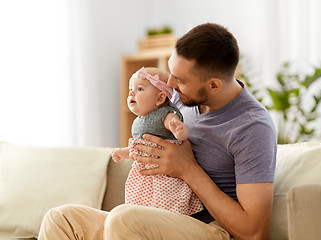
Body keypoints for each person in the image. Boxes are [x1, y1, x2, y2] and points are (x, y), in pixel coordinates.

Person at [38, 23, 277, 240]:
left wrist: (189, 169)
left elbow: (254, 232)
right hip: (158, 216)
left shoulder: (252, 126)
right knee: (60, 219)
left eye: (180, 80)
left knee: (124, 218)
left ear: (213, 85)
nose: (170, 85)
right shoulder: (182, 101)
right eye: (171, 72)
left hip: (212, 229)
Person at [111, 66, 203, 215]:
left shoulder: (165, 114)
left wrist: (179, 130)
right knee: (140, 207)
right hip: (145, 177)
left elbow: (177, 126)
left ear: (160, 98)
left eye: (140, 89)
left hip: (164, 177)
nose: (132, 93)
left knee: (165, 207)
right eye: (131, 89)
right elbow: (141, 147)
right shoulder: (138, 121)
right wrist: (124, 153)